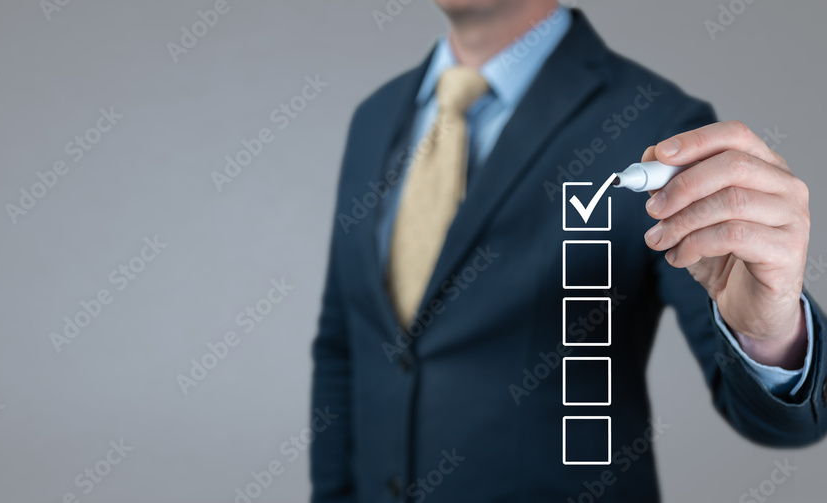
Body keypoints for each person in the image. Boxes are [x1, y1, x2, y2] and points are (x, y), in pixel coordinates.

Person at [309, 1, 826, 502]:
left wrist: (769, 333)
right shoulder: (375, 119)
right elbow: (343, 344)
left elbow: (780, 420)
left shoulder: (652, 123)